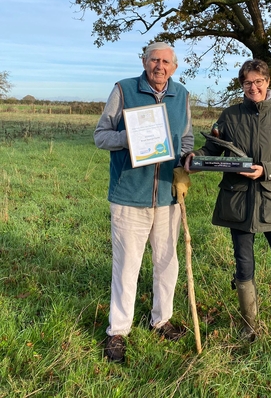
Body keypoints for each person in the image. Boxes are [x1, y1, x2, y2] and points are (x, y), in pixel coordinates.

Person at [184, 59, 271, 340]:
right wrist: (194, 158)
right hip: (237, 203)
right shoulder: (229, 116)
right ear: (242, 86)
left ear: (268, 83)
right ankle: (248, 327)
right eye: (248, 82)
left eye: (259, 81)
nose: (254, 87)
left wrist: (266, 171)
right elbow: (212, 148)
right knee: (243, 265)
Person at [94, 42, 193, 362]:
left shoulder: (182, 96)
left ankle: (161, 320)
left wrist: (184, 165)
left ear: (174, 67)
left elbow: (187, 139)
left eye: (166, 61)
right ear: (144, 62)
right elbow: (101, 136)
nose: (159, 66)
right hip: (129, 197)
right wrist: (132, 138)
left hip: (167, 197)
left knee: (167, 263)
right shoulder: (123, 90)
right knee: (127, 267)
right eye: (154, 60)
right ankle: (118, 331)